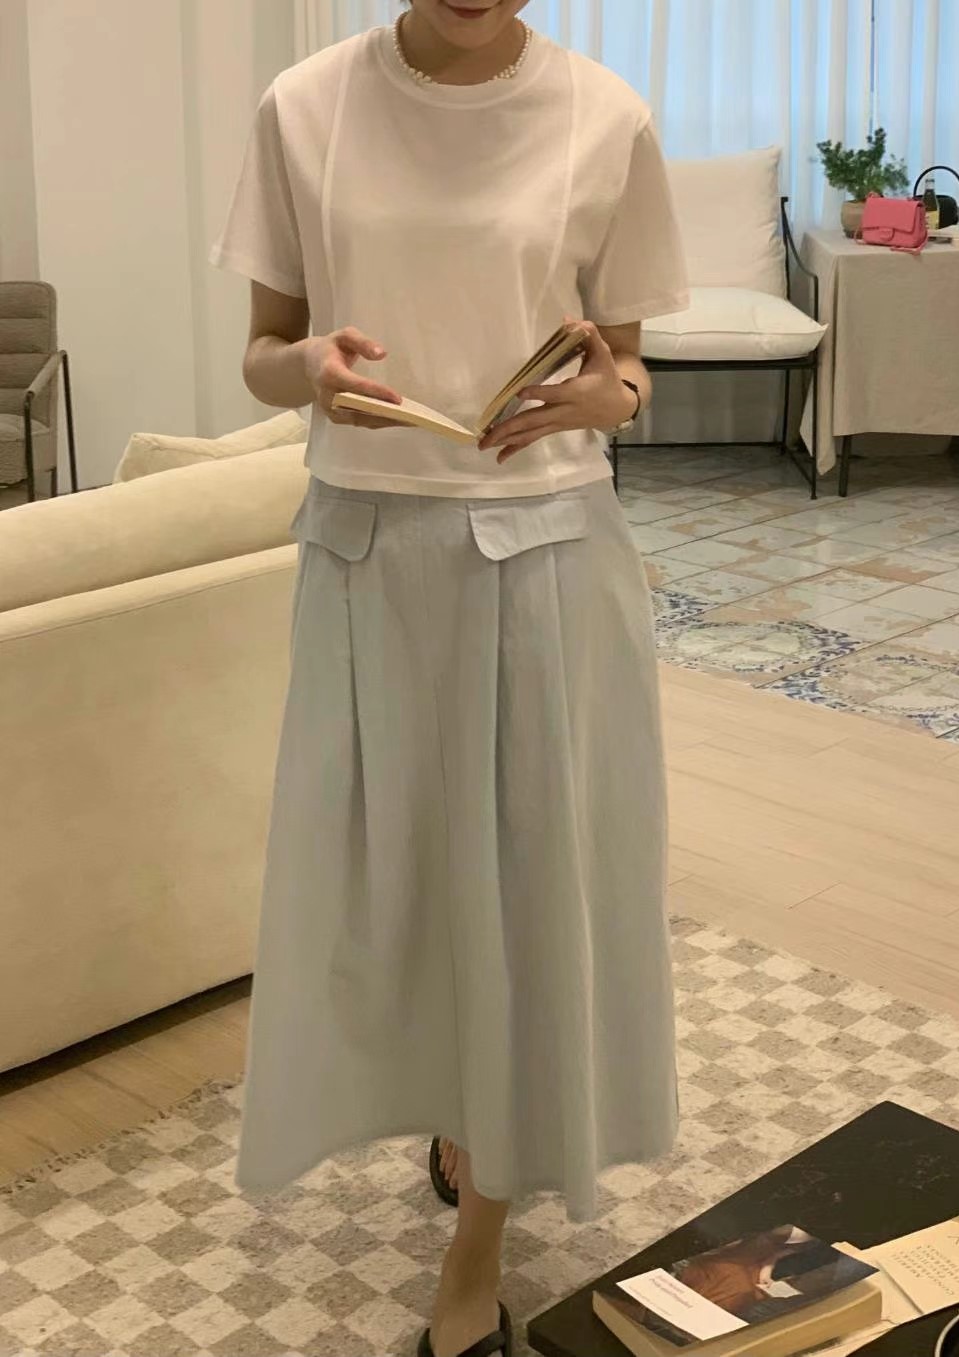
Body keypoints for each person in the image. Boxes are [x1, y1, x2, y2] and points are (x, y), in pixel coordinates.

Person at [210, 2, 688, 1354]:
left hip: (545, 556)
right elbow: (263, 350)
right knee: (396, 879)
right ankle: (451, 1100)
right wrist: (304, 369)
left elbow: (629, 364)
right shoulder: (305, 106)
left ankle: (478, 1240)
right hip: (364, 553)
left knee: (526, 884)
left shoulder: (604, 115)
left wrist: (612, 396)